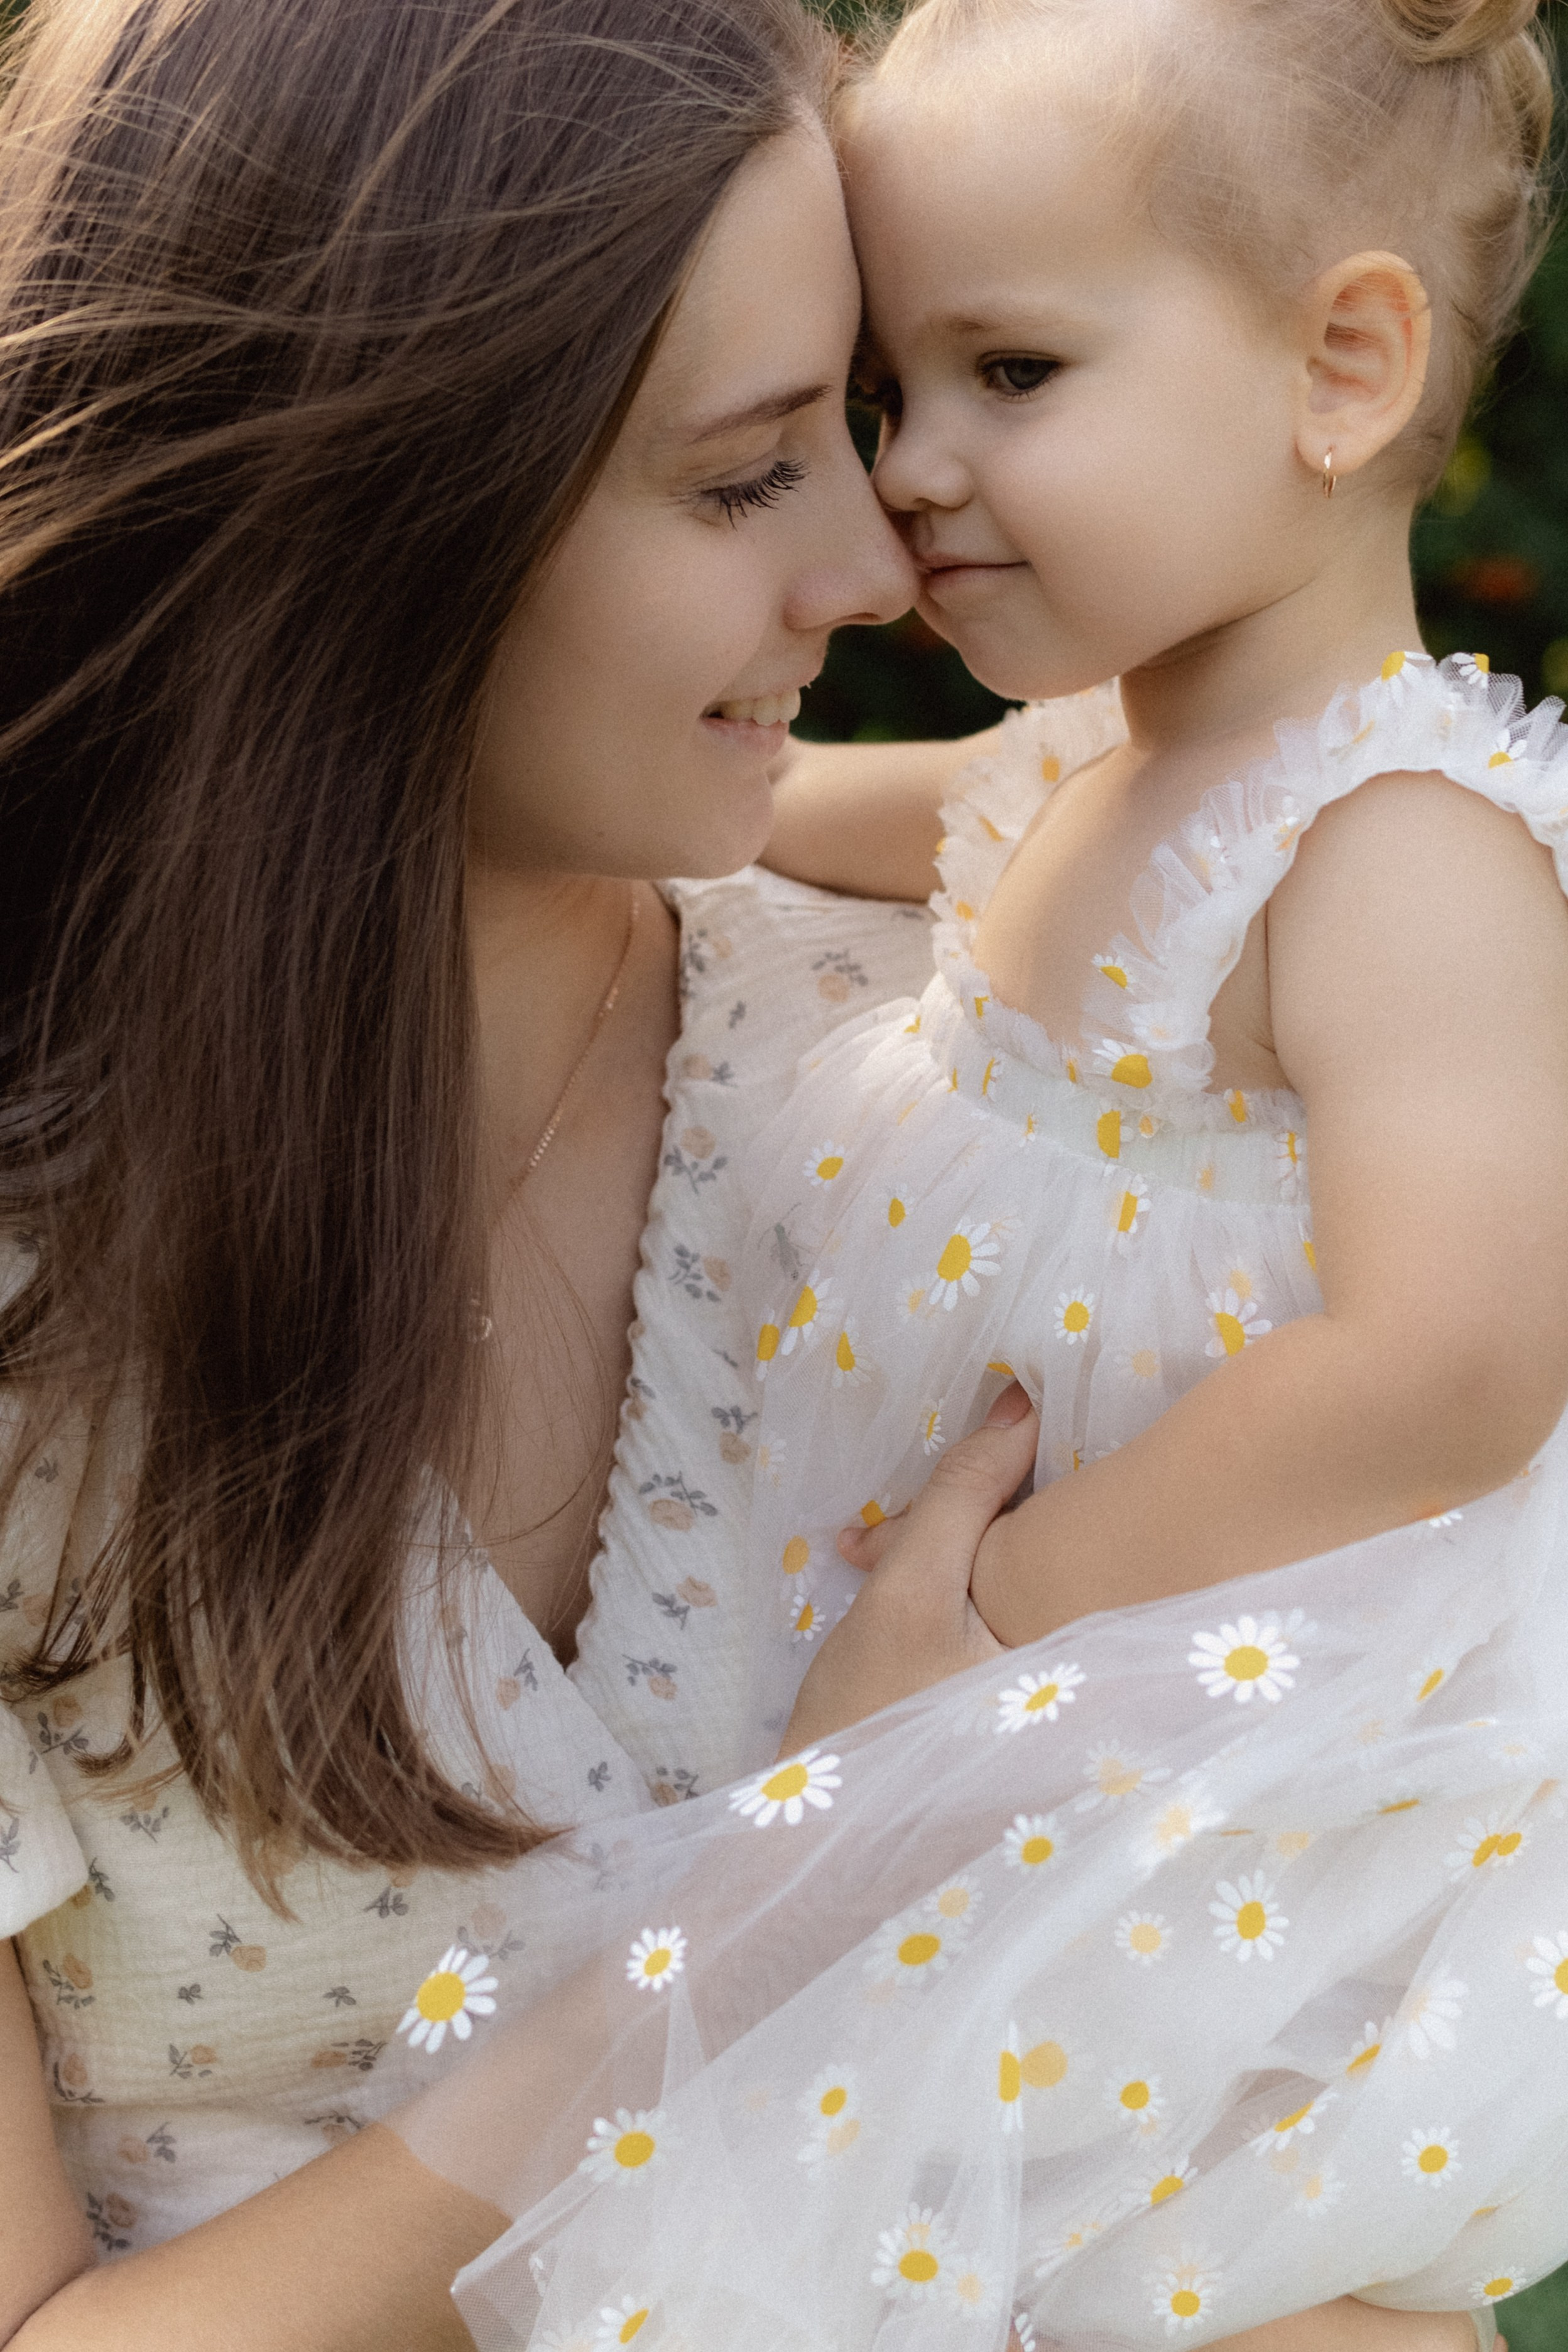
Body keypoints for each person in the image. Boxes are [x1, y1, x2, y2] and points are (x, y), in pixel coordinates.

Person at [383, 0, 1565, 2342]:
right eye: (883, 392)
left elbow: (1455, 1362)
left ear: (1342, 369)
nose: (909, 473)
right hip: (928, 1712)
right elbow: (779, 829)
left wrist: (1004, 1633)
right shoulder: (1083, 770)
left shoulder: (1402, 852)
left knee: (1065, 2234)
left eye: (1010, 373)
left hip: (1166, 1733)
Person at [0, 0, 932, 2341]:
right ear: (379, 517)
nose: (877, 565)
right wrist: (784, 1904)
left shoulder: (974, 1098)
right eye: (745, 476)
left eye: (863, 425)